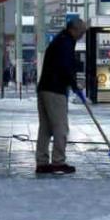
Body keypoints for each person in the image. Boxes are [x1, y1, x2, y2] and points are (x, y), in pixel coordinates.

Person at [35, 18, 87, 174]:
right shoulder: (65, 43)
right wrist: (74, 84)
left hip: (44, 88)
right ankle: (58, 161)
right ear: (73, 30)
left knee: (45, 128)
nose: (82, 35)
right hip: (55, 90)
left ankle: (42, 162)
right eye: (81, 32)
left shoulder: (60, 40)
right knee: (60, 127)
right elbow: (66, 67)